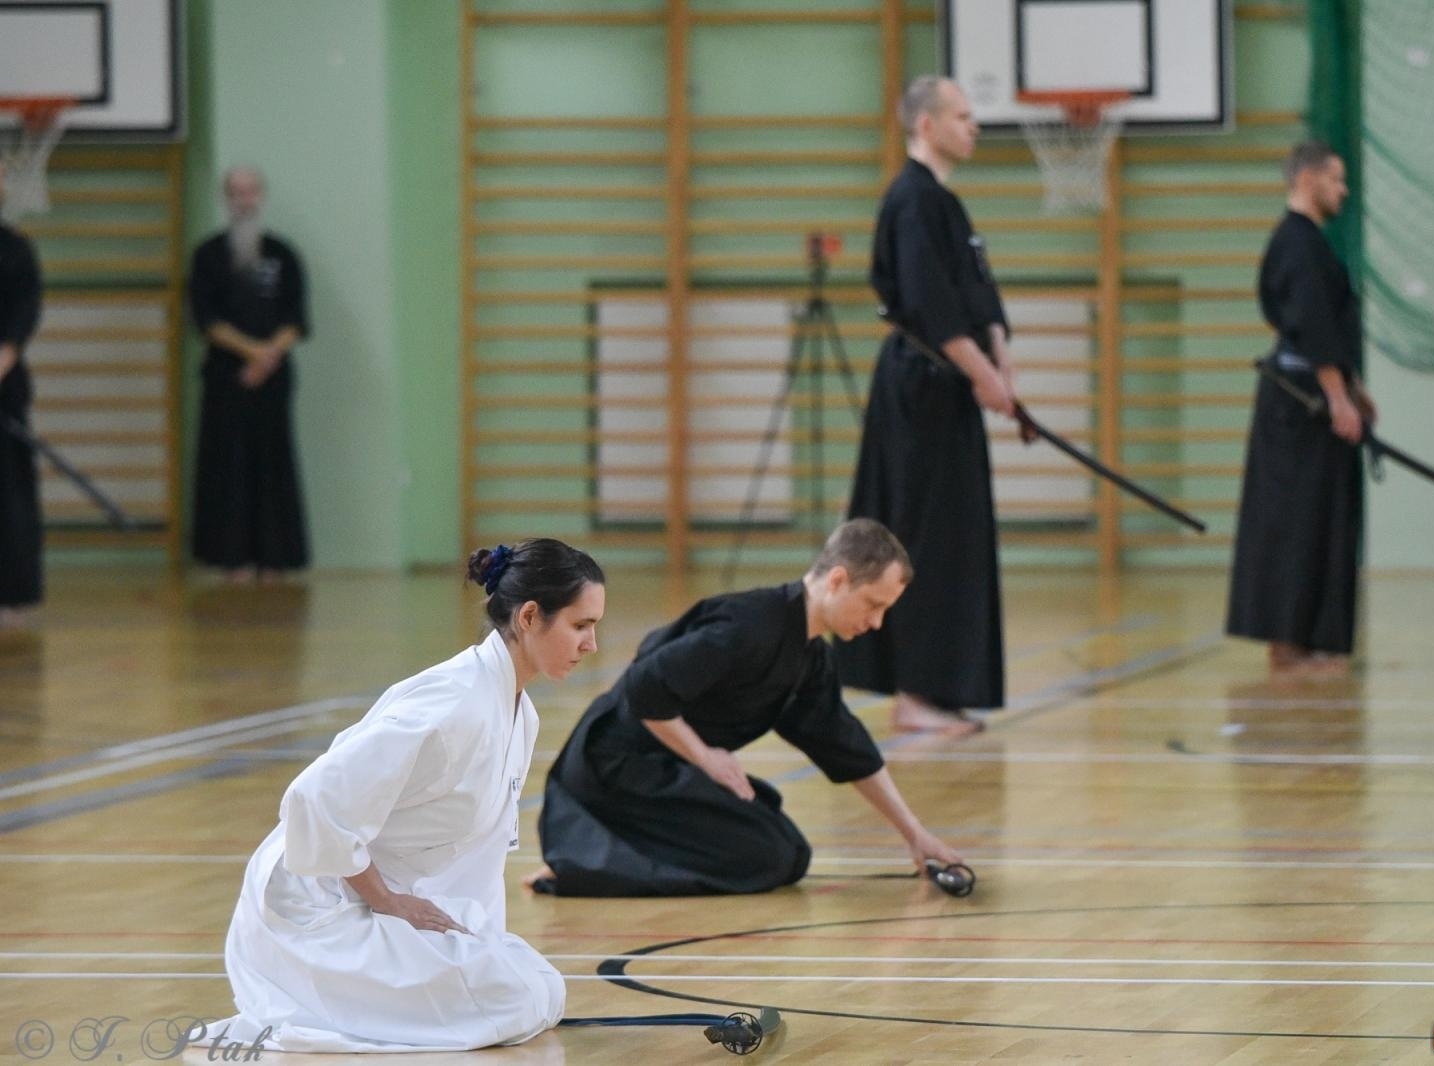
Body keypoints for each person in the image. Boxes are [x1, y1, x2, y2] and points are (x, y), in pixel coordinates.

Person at [216, 538, 605, 1052]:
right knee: (516, 998)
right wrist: (386, 901)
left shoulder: (518, 712)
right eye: (581, 625)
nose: (591, 645)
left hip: (375, 900)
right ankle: (310, 996)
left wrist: (476, 945)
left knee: (536, 985)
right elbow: (314, 798)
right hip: (309, 910)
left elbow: (480, 858)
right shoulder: (452, 704)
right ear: (531, 616)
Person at [529, 518, 962, 897]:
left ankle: (599, 857)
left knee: (786, 849)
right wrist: (707, 758)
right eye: (874, 604)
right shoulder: (749, 625)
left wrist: (915, 835)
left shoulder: (811, 658)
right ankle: (584, 866)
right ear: (837, 581)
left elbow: (847, 748)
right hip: (614, 766)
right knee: (768, 855)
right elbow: (645, 685)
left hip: (667, 769)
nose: (876, 623)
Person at [839, 75, 1017, 735]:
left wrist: (1002, 367)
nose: (974, 127)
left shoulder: (947, 205)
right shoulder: (911, 200)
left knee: (959, 537)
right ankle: (914, 693)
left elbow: (979, 295)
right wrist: (983, 374)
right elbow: (931, 305)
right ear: (926, 125)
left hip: (953, 387)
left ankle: (942, 688)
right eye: (963, 116)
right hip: (920, 386)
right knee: (923, 535)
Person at [1227, 141, 1376, 674]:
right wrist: (1339, 398)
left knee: (1321, 518)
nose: (1344, 190)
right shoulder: (1296, 244)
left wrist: (1354, 390)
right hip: (1300, 405)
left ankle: (1310, 639)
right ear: (1310, 180)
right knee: (1294, 519)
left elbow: (1330, 328)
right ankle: (1287, 644)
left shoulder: (1311, 243)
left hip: (1315, 398)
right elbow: (1311, 328)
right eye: (1337, 180)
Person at [188, 165, 310, 582]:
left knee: (272, 466)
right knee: (228, 467)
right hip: (227, 379)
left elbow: (296, 318)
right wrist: (251, 352)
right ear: (227, 198)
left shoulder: (282, 253)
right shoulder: (208, 255)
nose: (244, 199)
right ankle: (231, 561)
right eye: (236, 192)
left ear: (261, 195)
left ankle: (274, 560)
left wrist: (269, 354)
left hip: (272, 381)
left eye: (251, 191)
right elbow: (206, 320)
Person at [0, 159, 44, 627]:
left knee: (9, 495)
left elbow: (24, 312)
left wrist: (3, 360)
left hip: (4, 390)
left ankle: (11, 594)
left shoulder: (15, 249)